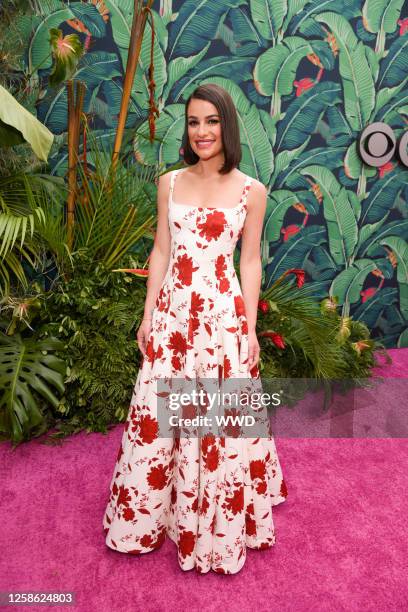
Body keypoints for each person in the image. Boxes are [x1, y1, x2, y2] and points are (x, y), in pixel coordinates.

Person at [103, 83, 288, 574]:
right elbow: (161, 252)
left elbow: (249, 262)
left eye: (211, 121)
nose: (201, 131)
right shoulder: (169, 182)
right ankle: (152, 511)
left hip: (221, 318)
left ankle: (215, 517)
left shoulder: (252, 191)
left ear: (226, 125)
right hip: (172, 315)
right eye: (193, 122)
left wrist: (248, 328)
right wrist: (148, 314)